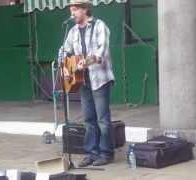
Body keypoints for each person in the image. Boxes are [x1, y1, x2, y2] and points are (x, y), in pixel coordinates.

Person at [59, 0, 115, 167]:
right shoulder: (73, 31)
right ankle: (91, 153)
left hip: (99, 79)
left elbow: (101, 52)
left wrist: (86, 62)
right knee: (89, 119)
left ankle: (106, 153)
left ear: (85, 9)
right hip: (82, 81)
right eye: (71, 9)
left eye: (75, 9)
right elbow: (64, 50)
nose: (72, 13)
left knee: (102, 120)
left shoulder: (100, 26)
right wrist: (65, 67)